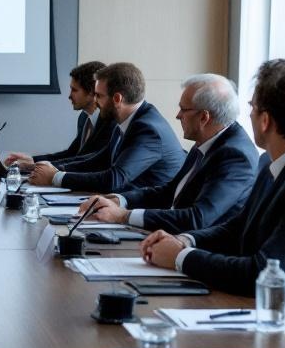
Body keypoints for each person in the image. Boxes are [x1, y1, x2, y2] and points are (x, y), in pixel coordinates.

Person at [140, 59, 285, 328]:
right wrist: (184, 240)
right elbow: (239, 228)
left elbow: (262, 272)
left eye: (251, 107)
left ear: (265, 120)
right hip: (263, 310)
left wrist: (180, 257)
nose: (248, 115)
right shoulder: (278, 159)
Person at [81, 74, 258, 233]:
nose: (178, 115)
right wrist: (120, 200)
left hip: (196, 246)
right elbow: (169, 192)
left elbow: (198, 218)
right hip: (169, 234)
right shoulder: (207, 140)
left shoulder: (235, 156)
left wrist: (123, 216)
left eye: (183, 109)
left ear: (204, 117)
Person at [30, 62, 184, 193]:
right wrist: (49, 168)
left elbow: (114, 179)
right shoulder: (127, 121)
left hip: (149, 209)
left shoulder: (148, 130)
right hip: (121, 201)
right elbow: (97, 161)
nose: (95, 101)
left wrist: (56, 177)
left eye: (99, 96)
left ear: (117, 99)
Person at [5, 61, 115, 171]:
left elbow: (90, 162)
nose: (69, 96)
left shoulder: (111, 123)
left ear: (92, 92)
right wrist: (33, 160)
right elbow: (71, 154)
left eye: (74, 90)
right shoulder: (84, 118)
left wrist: (34, 166)